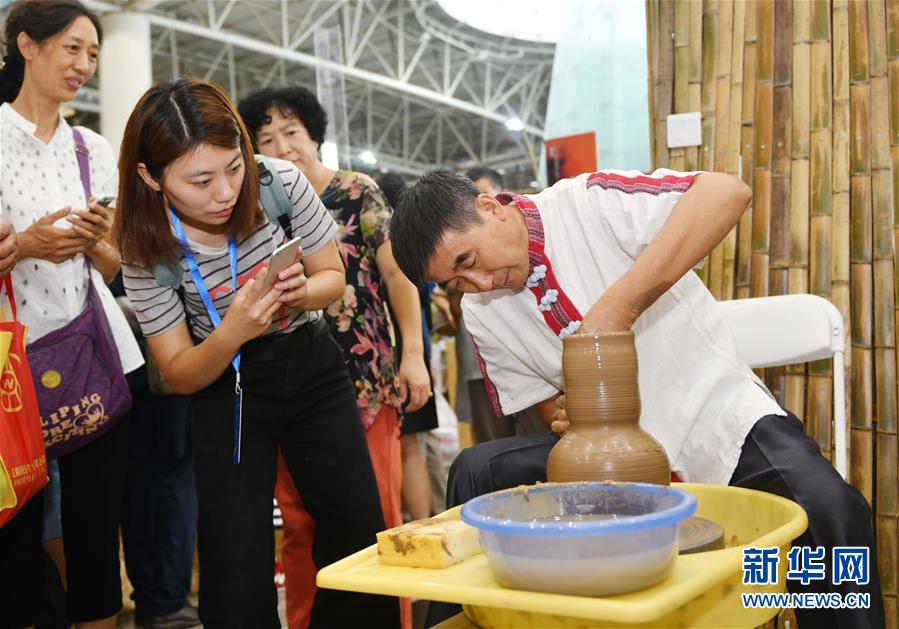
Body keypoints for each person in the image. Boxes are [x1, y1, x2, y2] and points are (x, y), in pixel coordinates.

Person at [390, 169, 884, 629]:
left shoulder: (586, 203)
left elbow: (725, 193)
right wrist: (565, 414)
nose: (477, 285)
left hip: (714, 420)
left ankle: (785, 603)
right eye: (456, 284)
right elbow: (547, 410)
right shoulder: (482, 313)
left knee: (829, 512)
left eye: (468, 261)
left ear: (490, 207)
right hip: (610, 469)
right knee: (476, 470)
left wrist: (615, 309)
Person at [116, 77, 398, 629]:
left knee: (355, 530)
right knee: (234, 553)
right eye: (200, 179)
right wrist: (232, 332)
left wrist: (298, 292)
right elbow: (180, 373)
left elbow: (332, 279)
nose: (224, 192)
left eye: (234, 166)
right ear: (151, 176)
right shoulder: (146, 249)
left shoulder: (280, 183)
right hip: (225, 385)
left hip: (313, 367)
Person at [238, 86, 430, 629]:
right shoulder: (253, 208)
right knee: (299, 527)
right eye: (266, 138)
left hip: (365, 381)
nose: (282, 145)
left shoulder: (356, 192)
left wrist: (413, 355)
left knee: (375, 521)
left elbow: (397, 276)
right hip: (288, 384)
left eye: (291, 131)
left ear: (315, 134)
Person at [0, 2, 144, 627]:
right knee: (14, 533)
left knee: (94, 532)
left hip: (93, 355)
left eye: (92, 53)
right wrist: (24, 246)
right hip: (12, 368)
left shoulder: (90, 146)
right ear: (26, 45)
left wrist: (93, 242)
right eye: (72, 48)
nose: (84, 65)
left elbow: (118, 269)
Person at [453, 167, 544, 443]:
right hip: (480, 366)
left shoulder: (522, 251)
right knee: (496, 444)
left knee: (538, 438)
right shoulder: (466, 264)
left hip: (532, 362)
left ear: (494, 202)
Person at [376, 171, 441, 520]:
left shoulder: (389, 251)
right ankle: (420, 523)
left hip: (397, 354)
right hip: (415, 354)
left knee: (403, 449)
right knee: (411, 448)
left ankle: (410, 523)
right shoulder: (415, 251)